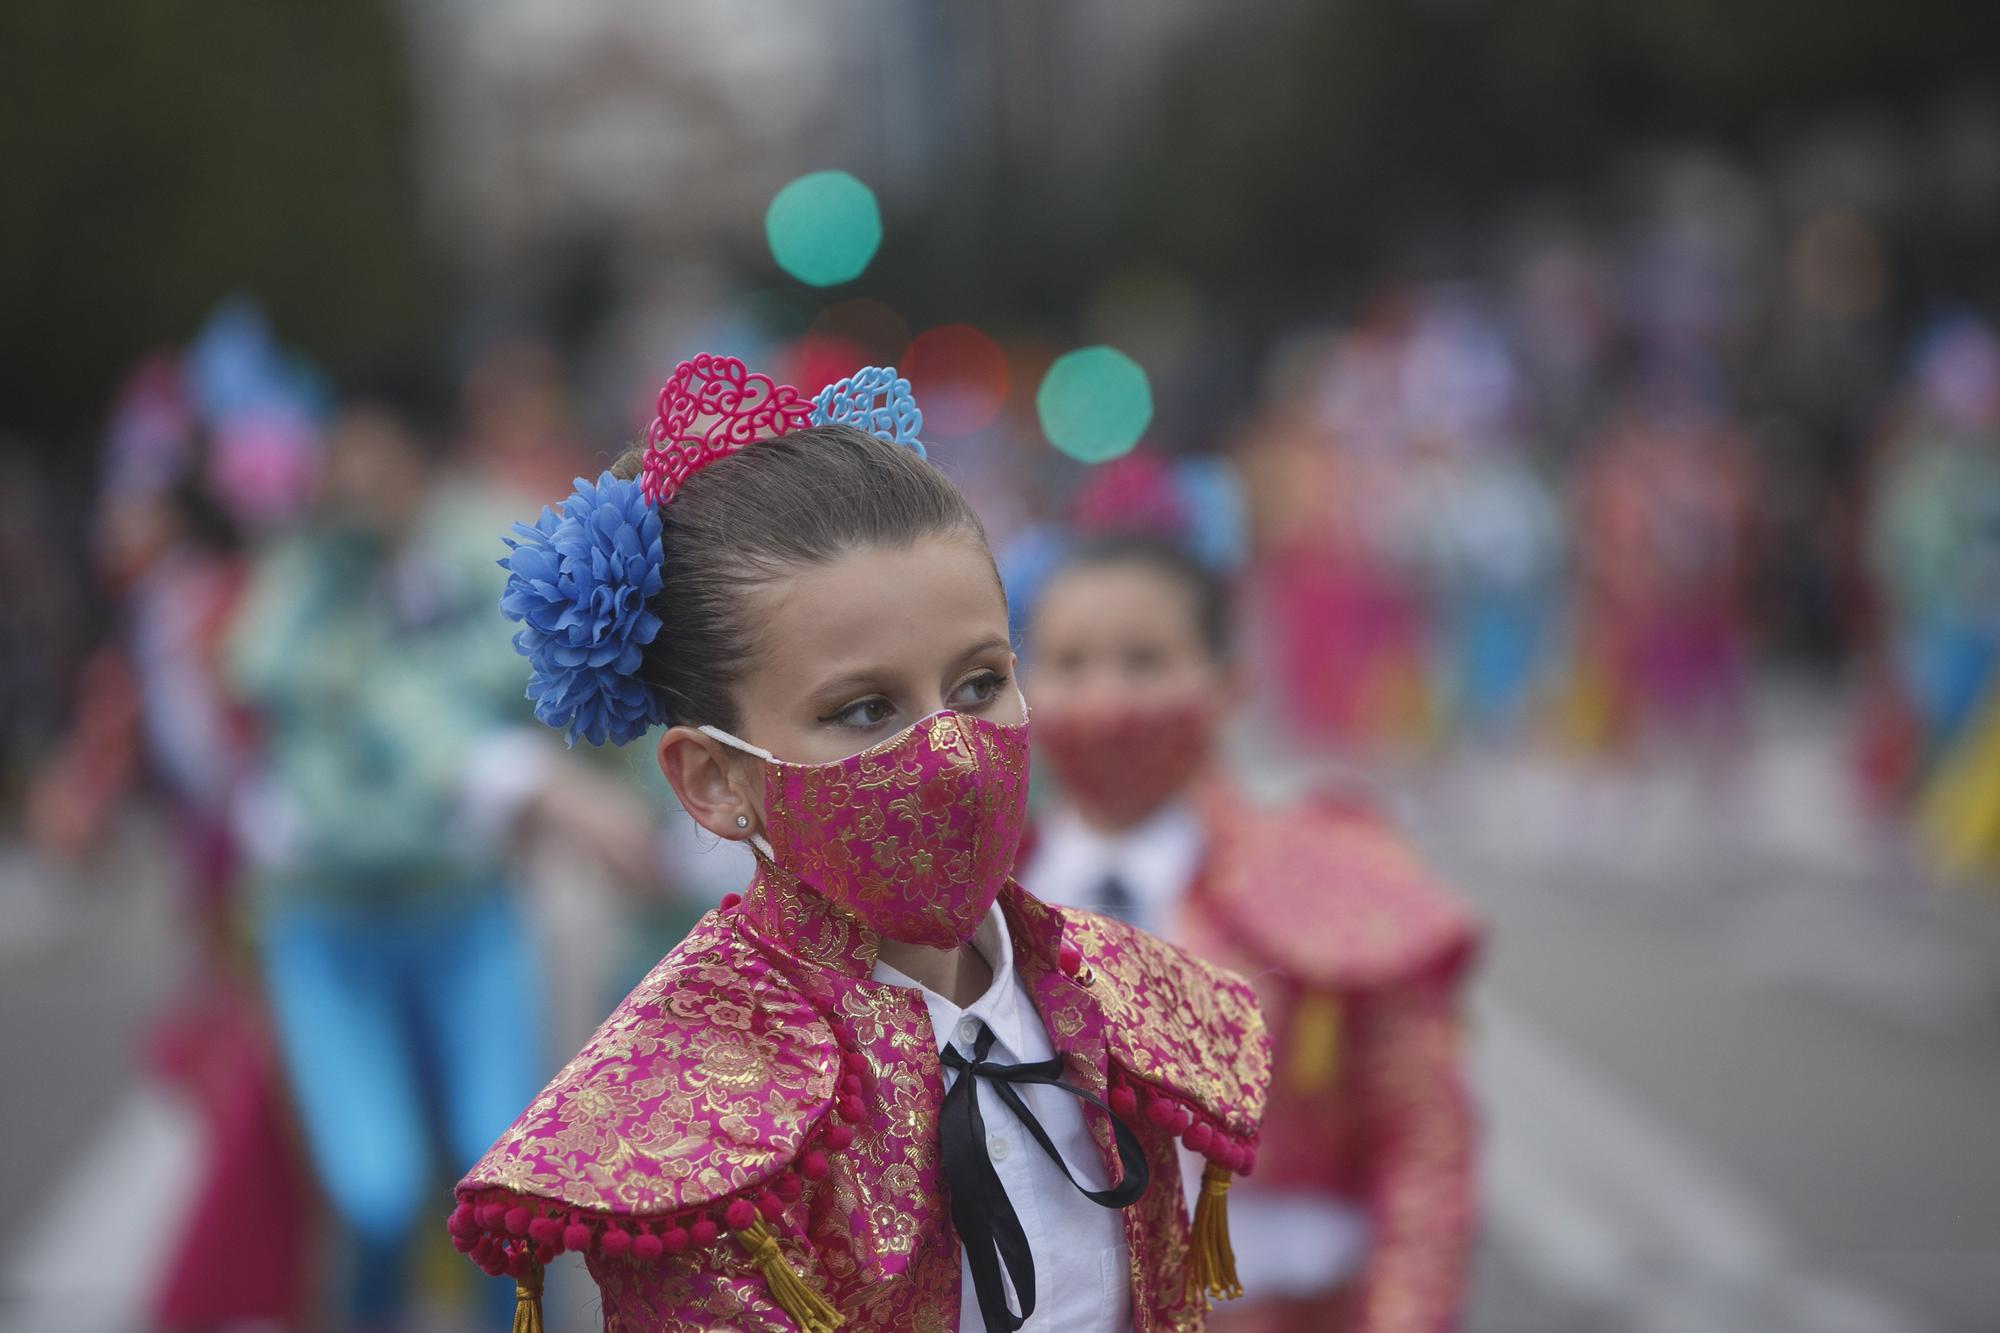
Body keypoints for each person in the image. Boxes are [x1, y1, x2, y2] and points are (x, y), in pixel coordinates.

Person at [448, 357, 1271, 1331]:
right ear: (715, 780)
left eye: (977, 684)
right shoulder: (692, 1114)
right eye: (865, 709)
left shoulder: (1118, 1008)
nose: (957, 756)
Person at [228, 379, 648, 1328]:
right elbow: (266, 675)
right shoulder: (298, 577)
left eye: (383, 459)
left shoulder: (489, 544)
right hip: (328, 925)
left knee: (494, 1192)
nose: (364, 483)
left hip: (463, 915)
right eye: (345, 464)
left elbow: (552, 672)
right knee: (374, 1194)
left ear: (424, 460)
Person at [1018, 530, 1479, 1333]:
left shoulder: (1328, 880)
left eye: (1144, 662)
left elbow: (1423, 1149)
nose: (1104, 702)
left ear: (1227, 683)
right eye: (1069, 665)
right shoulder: (976, 901)